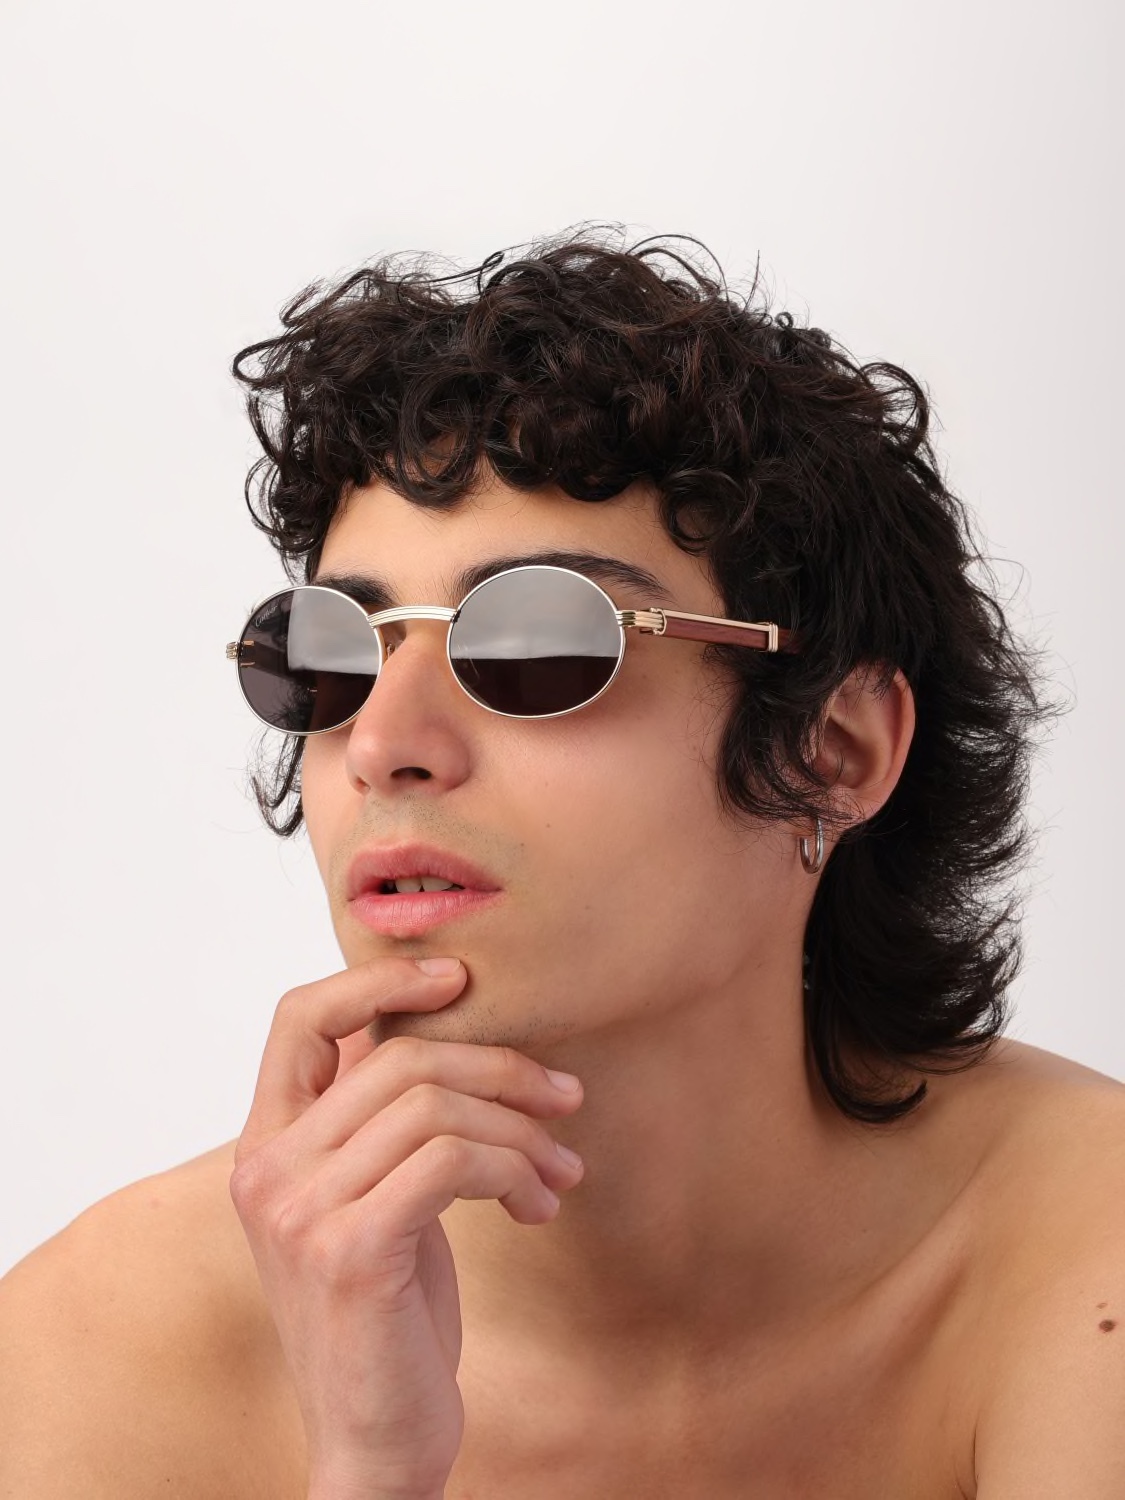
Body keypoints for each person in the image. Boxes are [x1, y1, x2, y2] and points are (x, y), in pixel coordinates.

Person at [3, 232, 1124, 1500]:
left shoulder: (1087, 1259)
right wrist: (371, 1468)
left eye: (535, 645)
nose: (382, 743)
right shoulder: (94, 1352)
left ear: (833, 749)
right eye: (330, 655)